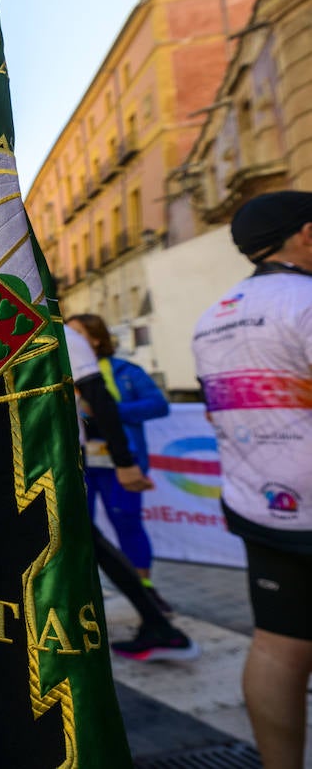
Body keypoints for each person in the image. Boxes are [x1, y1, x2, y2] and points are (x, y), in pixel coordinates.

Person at [192, 190, 312, 769]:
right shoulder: (306, 301)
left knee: (278, 644)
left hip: (261, 506)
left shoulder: (212, 316)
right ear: (306, 235)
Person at [66, 313, 170, 602]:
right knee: (83, 528)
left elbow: (159, 405)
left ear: (96, 339)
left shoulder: (125, 370)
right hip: (83, 461)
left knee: (126, 522)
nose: (69, 338)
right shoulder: (63, 370)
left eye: (77, 333)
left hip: (118, 460)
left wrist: (108, 411)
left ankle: (145, 591)